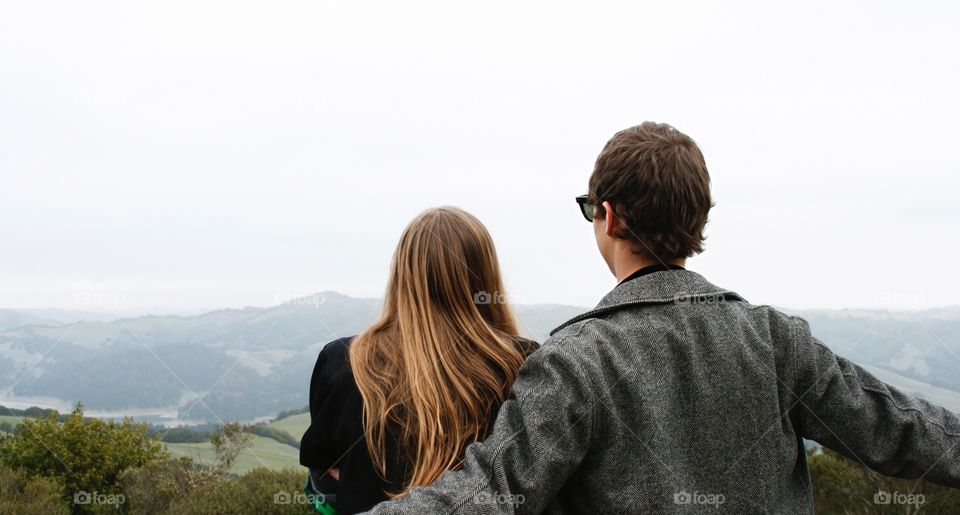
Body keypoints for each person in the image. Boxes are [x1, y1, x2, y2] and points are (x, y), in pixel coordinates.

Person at [363, 122, 960, 513]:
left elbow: (486, 494)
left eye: (589, 209)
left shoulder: (577, 361)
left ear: (612, 218)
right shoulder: (775, 341)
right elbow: (902, 430)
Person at [299, 206, 539, 514]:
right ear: (485, 274)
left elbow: (323, 482)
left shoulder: (343, 360)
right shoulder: (518, 362)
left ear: (401, 272)